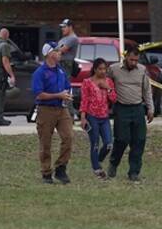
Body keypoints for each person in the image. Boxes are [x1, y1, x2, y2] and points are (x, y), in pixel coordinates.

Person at [107, 47, 154, 182]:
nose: (133, 63)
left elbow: (147, 90)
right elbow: (106, 84)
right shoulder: (114, 69)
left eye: (136, 60)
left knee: (139, 140)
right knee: (122, 139)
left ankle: (134, 171)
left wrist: (150, 108)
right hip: (121, 108)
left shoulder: (142, 70)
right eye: (131, 59)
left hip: (138, 108)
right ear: (126, 57)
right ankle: (113, 163)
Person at [31, 42, 73, 184]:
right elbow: (38, 94)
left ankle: (61, 168)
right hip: (46, 110)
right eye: (56, 50)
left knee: (68, 137)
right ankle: (46, 172)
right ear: (49, 54)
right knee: (45, 143)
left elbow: (67, 86)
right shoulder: (40, 73)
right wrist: (58, 95)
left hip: (62, 109)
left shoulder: (60, 70)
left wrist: (67, 95)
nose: (59, 52)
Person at [79, 58, 116, 179]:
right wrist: (83, 117)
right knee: (94, 143)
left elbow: (114, 99)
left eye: (105, 69)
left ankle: (98, 159)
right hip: (92, 116)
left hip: (104, 117)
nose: (103, 71)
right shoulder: (87, 82)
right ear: (95, 69)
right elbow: (84, 101)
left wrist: (108, 88)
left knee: (108, 143)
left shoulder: (109, 81)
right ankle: (97, 169)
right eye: (100, 69)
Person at [57, 19, 79, 117]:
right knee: (59, 87)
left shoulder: (72, 38)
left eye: (64, 27)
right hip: (59, 63)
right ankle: (65, 110)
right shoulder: (63, 38)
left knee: (65, 87)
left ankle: (70, 112)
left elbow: (62, 50)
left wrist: (54, 50)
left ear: (70, 27)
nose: (63, 29)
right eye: (62, 27)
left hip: (66, 63)